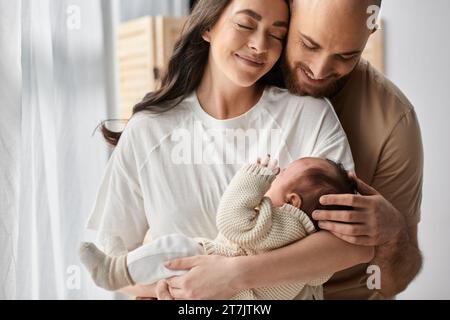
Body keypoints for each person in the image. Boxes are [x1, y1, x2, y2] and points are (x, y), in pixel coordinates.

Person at [86, 0, 374, 300]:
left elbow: (353, 243)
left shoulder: (309, 116)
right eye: (246, 25)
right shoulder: (148, 130)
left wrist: (234, 276)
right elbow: (112, 259)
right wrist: (166, 288)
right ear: (208, 25)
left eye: (277, 35)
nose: (260, 45)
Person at [275, 0, 423, 299]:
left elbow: (394, 282)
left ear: (369, 35)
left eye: (346, 56)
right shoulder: (246, 75)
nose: (319, 70)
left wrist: (392, 235)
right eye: (309, 44)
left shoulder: (393, 121)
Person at [81, 156, 355, 300]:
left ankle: (116, 270)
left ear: (293, 201)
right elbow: (320, 276)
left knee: (177, 249)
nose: (274, 178)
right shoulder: (313, 256)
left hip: (221, 273)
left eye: (281, 176)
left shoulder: (284, 223)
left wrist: (253, 177)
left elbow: (231, 221)